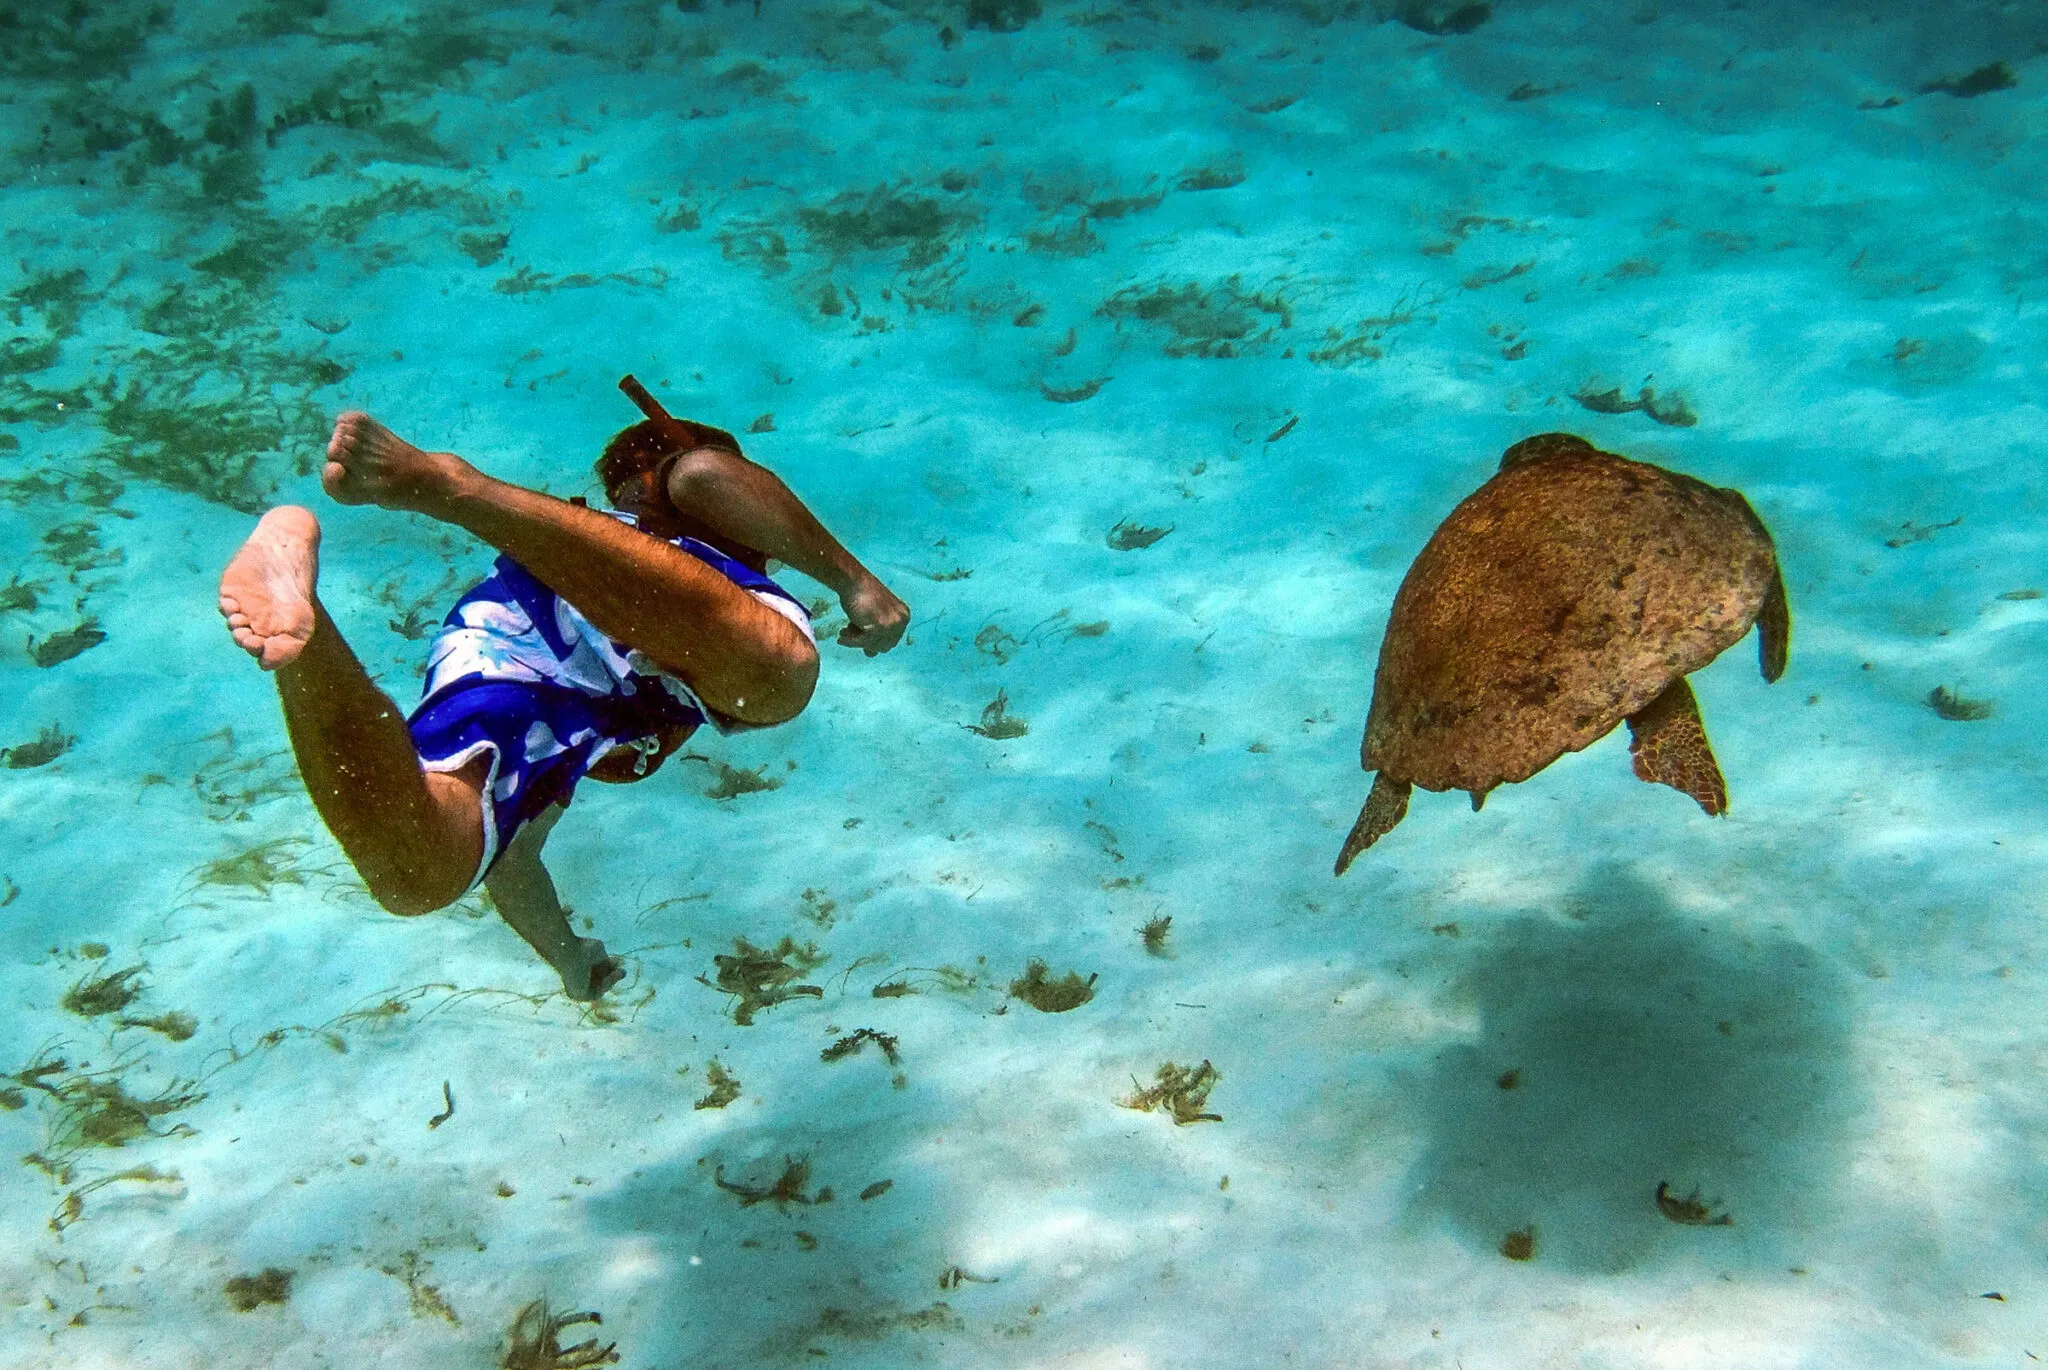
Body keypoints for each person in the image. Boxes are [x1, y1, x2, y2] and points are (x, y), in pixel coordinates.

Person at [216, 381, 908, 1000]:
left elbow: (511, 858)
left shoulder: (597, 696)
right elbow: (703, 471)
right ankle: (454, 488)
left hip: (514, 639)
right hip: (578, 621)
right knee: (778, 679)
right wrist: (855, 582)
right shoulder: (682, 496)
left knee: (419, 875)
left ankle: (307, 641)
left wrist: (566, 956)